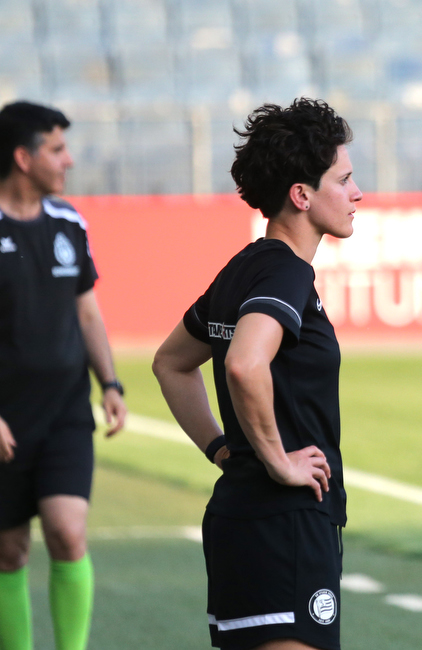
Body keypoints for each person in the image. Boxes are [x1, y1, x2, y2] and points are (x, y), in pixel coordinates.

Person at [152, 97, 361, 650]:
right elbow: (246, 364)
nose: (357, 193)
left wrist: (226, 450)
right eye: (344, 179)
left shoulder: (245, 265)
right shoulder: (286, 273)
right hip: (284, 523)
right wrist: (276, 461)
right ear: (302, 195)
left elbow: (170, 364)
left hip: (241, 518)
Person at [0, 101, 127, 650]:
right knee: (8, 552)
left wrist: (111, 384)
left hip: (65, 413)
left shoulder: (69, 223)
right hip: (6, 418)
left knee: (68, 534)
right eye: (57, 149)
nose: (68, 161)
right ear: (23, 158)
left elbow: (87, 312)